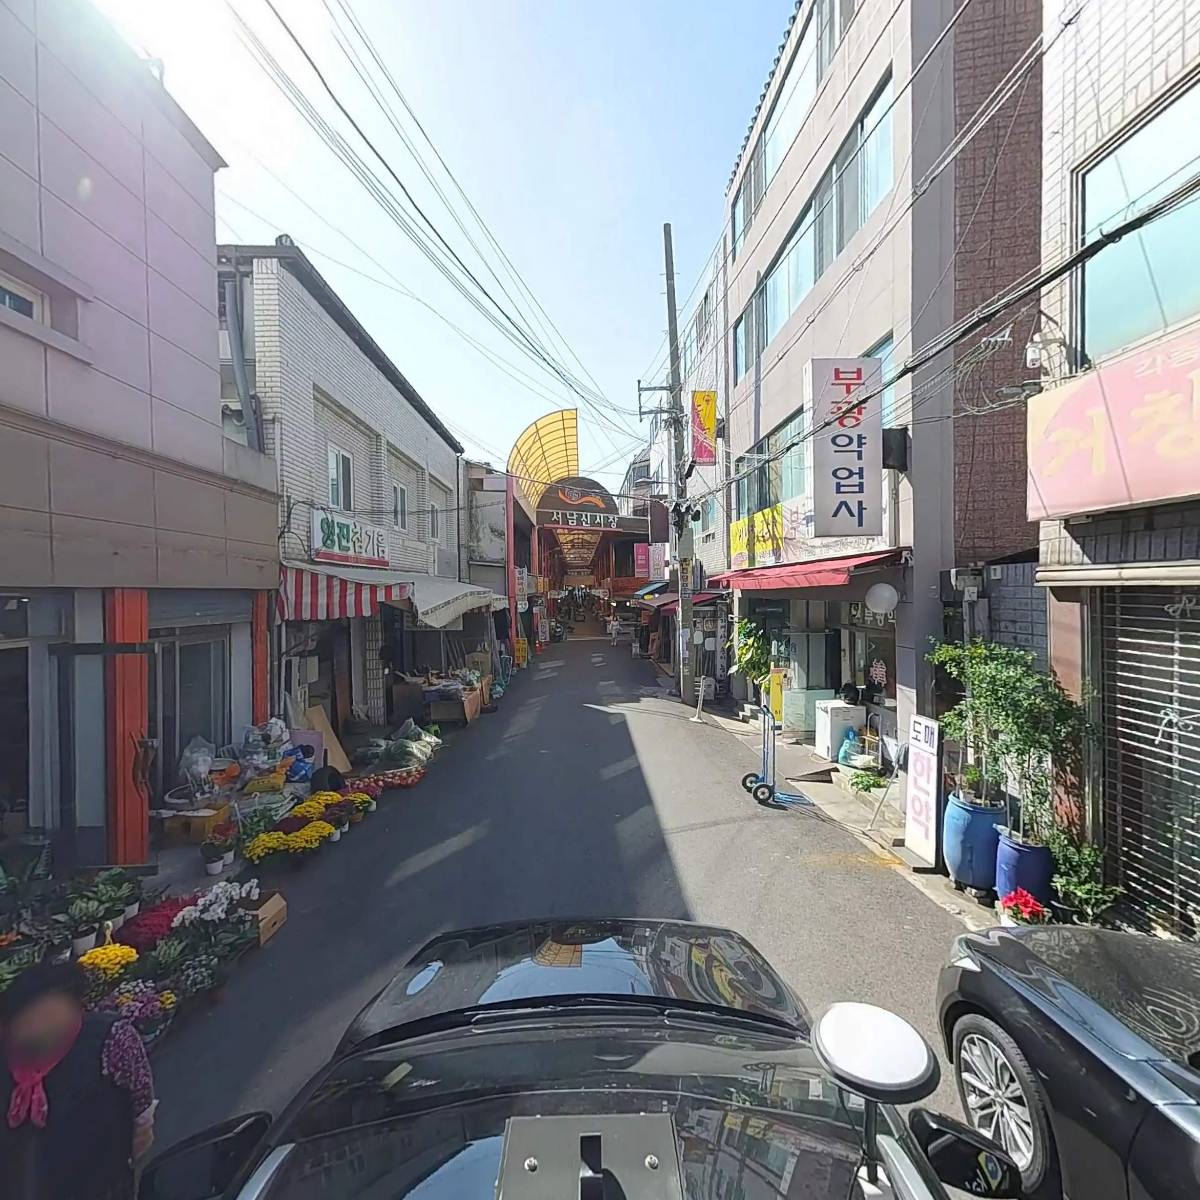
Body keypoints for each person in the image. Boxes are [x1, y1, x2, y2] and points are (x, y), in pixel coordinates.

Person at [0, 961, 156, 1200]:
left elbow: (141, 1101)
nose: (37, 1026)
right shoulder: (10, 1054)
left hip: (99, 1181)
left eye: (48, 1014)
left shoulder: (110, 1038)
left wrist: (132, 1152)